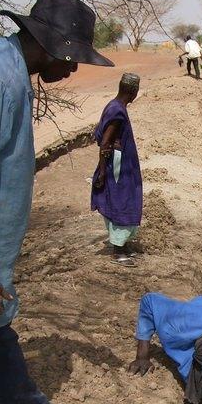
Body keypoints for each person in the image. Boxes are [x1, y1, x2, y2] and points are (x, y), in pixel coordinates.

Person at [0, 0, 114, 404]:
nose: (73, 71)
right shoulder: (2, 79)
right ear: (50, 46)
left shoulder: (13, 73)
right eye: (72, 59)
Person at [91, 73, 142, 267]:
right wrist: (103, 171)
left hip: (122, 162)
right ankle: (118, 251)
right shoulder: (117, 111)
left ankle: (123, 245)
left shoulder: (114, 106)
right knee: (121, 201)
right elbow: (105, 142)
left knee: (126, 198)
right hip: (117, 166)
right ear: (132, 91)